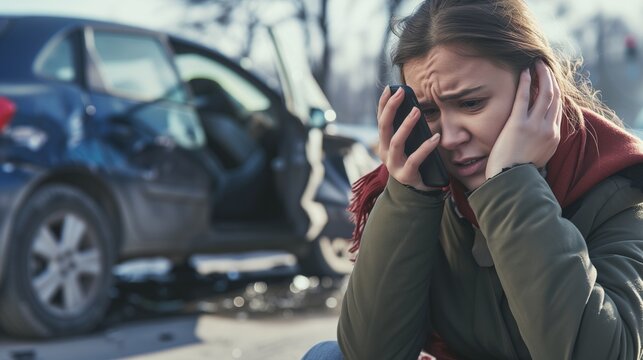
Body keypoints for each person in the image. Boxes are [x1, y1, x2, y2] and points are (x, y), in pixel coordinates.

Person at [302, 0, 643, 359]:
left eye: (470, 104)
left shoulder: (615, 190)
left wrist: (511, 185)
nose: (449, 139)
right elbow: (370, 353)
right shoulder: (430, 186)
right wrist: (408, 197)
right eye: (430, 112)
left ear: (540, 88)